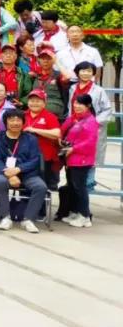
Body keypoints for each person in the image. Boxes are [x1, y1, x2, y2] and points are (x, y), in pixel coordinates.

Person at [0, 110, 46, 233]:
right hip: (5, 173)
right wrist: (9, 174)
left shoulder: (31, 139)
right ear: (6, 122)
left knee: (40, 186)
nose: (15, 123)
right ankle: (5, 217)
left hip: (27, 173)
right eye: (12, 120)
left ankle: (28, 219)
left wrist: (18, 169)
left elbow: (35, 159)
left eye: (18, 120)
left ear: (23, 122)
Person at [66, 61, 113, 190]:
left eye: (89, 71)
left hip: (91, 130)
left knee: (89, 160)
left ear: (93, 73)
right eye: (83, 70)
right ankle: (75, 192)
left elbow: (107, 110)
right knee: (74, 158)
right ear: (77, 72)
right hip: (75, 128)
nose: (86, 73)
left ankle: (87, 191)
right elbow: (70, 108)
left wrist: (93, 123)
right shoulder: (72, 88)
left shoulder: (99, 90)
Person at [59, 94, 98, 228]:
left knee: (80, 188)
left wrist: (74, 148)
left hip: (81, 160)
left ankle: (85, 216)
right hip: (72, 158)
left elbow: (90, 142)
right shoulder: (75, 118)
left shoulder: (90, 121)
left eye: (80, 104)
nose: (76, 106)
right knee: (73, 187)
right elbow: (64, 130)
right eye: (75, 103)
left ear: (88, 106)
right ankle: (76, 212)